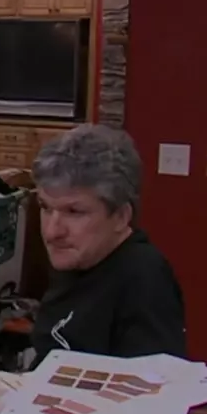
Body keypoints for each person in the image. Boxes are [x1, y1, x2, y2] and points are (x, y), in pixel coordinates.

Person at [28, 124, 187, 361]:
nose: (52, 232)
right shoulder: (78, 257)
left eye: (74, 212)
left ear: (121, 217)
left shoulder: (144, 278)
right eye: (45, 207)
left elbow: (153, 380)